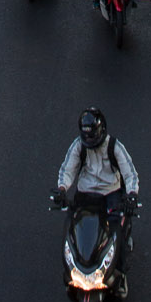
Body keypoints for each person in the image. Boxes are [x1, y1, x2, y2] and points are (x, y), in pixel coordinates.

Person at [55, 109, 140, 284]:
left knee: (116, 229)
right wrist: (62, 189)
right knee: (72, 226)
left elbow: (130, 174)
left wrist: (131, 194)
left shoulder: (115, 147)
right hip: (86, 193)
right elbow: (68, 169)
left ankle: (120, 272)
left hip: (111, 193)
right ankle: (76, 265)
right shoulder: (78, 146)